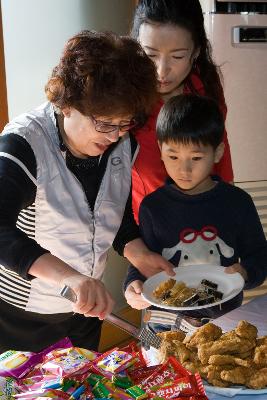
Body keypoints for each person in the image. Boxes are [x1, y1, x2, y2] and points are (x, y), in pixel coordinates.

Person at [0, 30, 175, 353]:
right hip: (22, 317)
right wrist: (70, 277)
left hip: (86, 312)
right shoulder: (24, 144)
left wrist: (139, 254)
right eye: (105, 123)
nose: (115, 135)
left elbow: (111, 210)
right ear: (66, 105)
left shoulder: (124, 141)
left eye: (125, 123)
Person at [124, 94, 267, 332]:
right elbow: (142, 261)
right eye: (173, 156)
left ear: (218, 153)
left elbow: (260, 255)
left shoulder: (237, 202)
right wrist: (133, 285)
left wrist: (245, 272)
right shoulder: (152, 206)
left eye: (196, 158)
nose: (184, 169)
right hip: (166, 322)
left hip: (224, 320)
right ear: (160, 150)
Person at [131, 0, 234, 223]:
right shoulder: (125, 94)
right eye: (150, 55)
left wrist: (229, 217)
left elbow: (220, 157)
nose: (161, 71)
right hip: (148, 228)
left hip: (207, 223)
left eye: (177, 57)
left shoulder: (204, 86)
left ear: (196, 51)